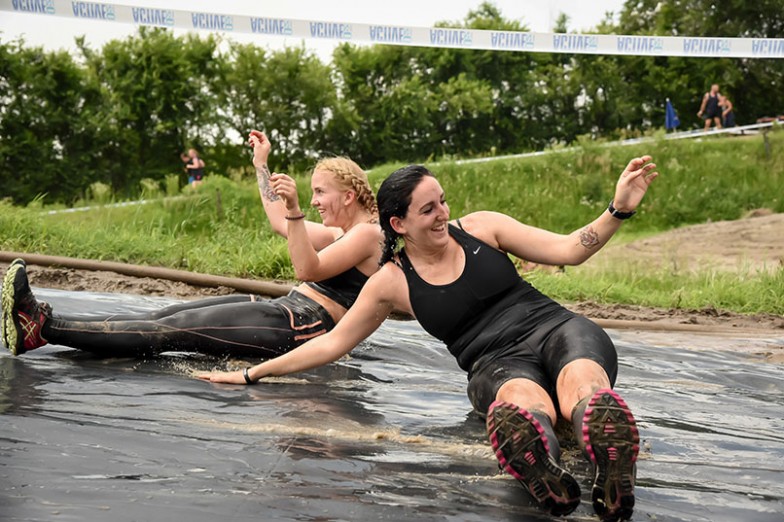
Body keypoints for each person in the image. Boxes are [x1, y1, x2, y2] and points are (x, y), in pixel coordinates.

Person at [197, 156, 659, 521]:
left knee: (581, 381)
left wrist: (618, 208)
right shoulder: (391, 281)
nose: (443, 214)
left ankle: (608, 445)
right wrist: (252, 373)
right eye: (429, 209)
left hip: (557, 329)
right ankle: (543, 467)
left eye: (442, 201)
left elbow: (568, 249)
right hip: (494, 363)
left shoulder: (482, 227)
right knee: (521, 401)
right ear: (398, 224)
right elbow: (333, 343)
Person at [1, 131, 382, 360]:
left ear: (349, 196)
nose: (315, 201)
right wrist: (260, 165)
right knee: (165, 314)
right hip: (288, 310)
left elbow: (306, 269)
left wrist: (296, 210)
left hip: (302, 327)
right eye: (313, 193)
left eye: (321, 193)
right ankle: (44, 323)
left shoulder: (369, 234)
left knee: (173, 330)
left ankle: (43, 327)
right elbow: (279, 222)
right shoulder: (345, 233)